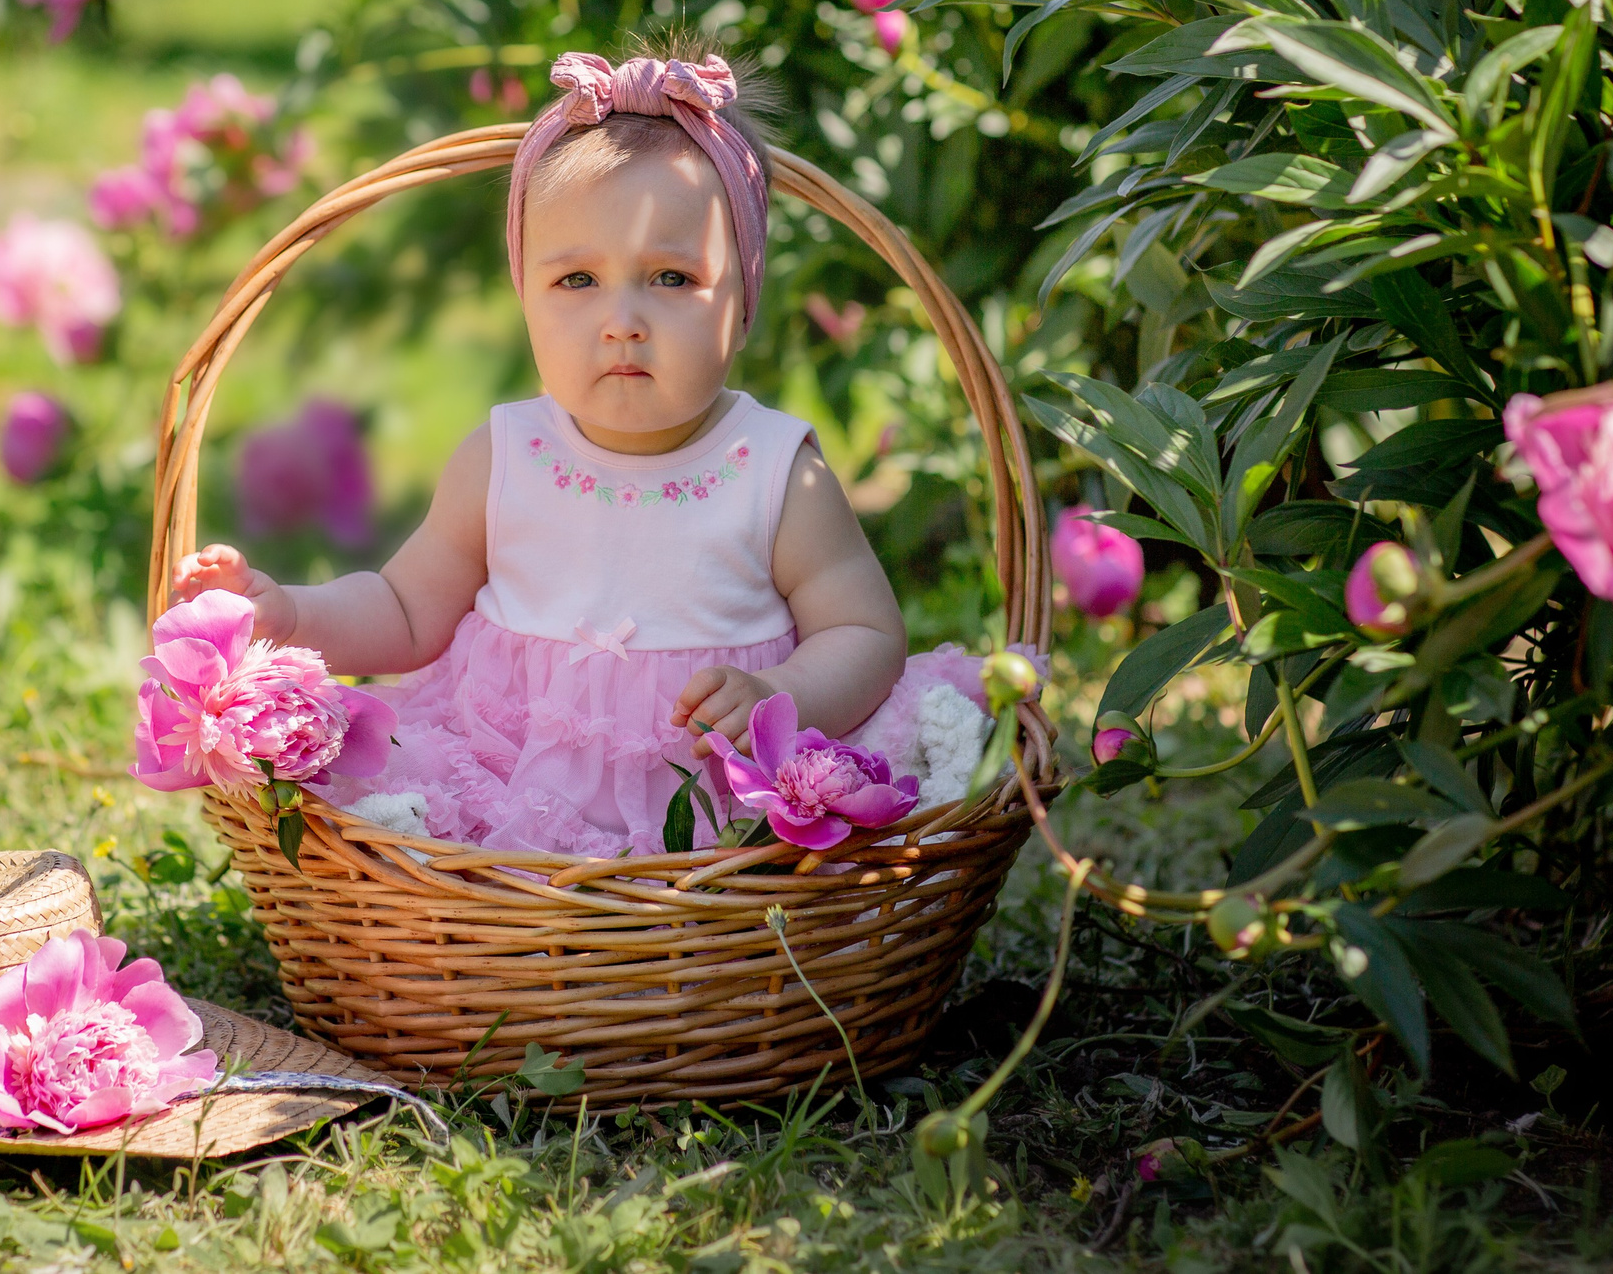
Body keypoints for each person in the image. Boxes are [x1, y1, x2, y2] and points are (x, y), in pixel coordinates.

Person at [171, 42, 996, 855]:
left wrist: (781, 694)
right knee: (391, 812)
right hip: (505, 793)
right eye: (577, 281)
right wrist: (292, 616)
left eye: (672, 278)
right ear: (526, 299)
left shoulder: (777, 473)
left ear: (743, 301)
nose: (622, 321)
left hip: (714, 819)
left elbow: (864, 632)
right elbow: (405, 609)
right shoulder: (504, 457)